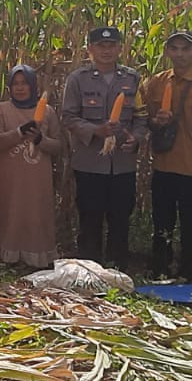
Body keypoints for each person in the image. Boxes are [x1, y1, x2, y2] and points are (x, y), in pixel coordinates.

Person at [141, 31, 192, 282]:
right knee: (162, 224)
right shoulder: (155, 83)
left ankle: (187, 272)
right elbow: (145, 121)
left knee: (191, 227)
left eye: (185, 49)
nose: (179, 54)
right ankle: (159, 269)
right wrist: (156, 122)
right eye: (174, 48)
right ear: (167, 52)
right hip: (164, 167)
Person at [61, 26, 145, 269]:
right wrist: (95, 131)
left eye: (111, 46)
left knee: (120, 217)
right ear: (90, 49)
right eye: (101, 46)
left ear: (120, 48)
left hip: (122, 164)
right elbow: (68, 116)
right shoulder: (78, 79)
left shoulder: (132, 79)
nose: (106, 51)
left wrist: (136, 138)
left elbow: (141, 117)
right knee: (90, 217)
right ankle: (89, 267)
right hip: (90, 162)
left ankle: (118, 268)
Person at [0, 65, 66, 269]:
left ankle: (38, 259)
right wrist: (20, 132)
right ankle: (11, 259)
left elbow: (58, 146)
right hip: (11, 178)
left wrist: (40, 140)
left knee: (37, 215)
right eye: (15, 84)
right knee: (12, 214)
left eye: (24, 83)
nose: (20, 88)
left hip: (38, 178)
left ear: (32, 85)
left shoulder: (47, 111)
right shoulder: (1, 109)